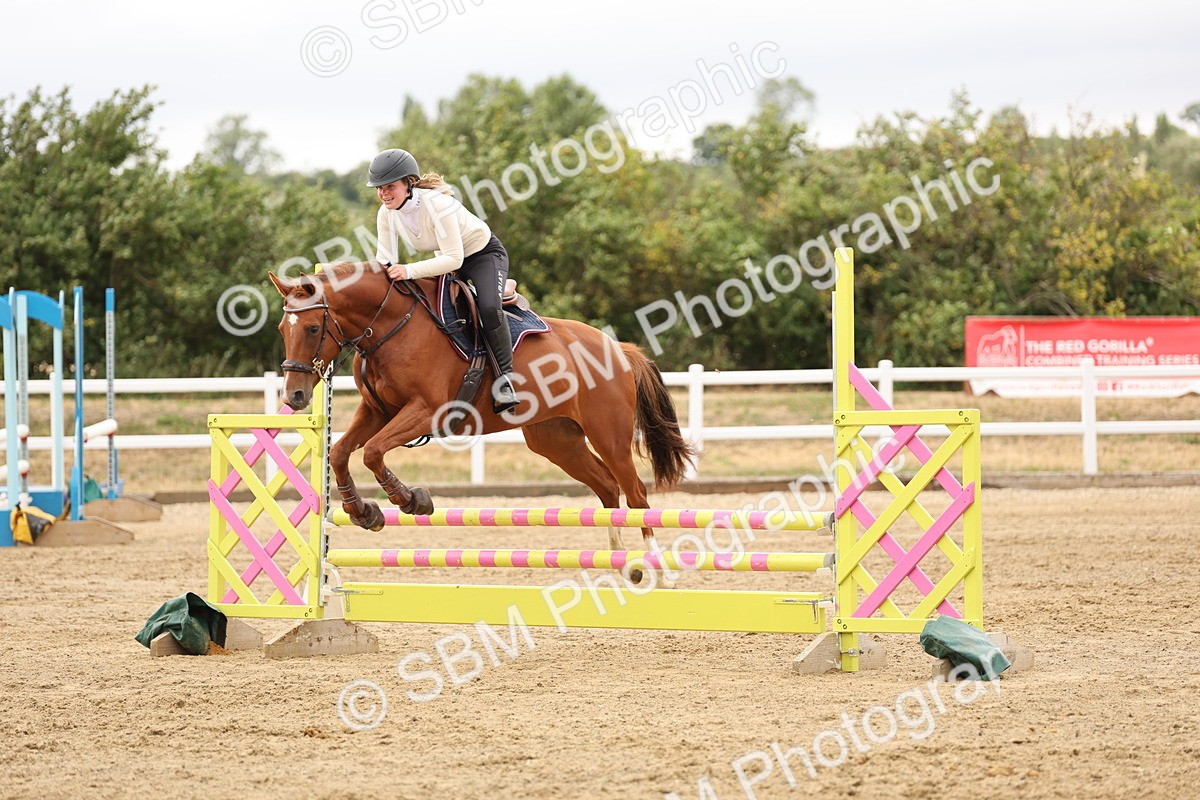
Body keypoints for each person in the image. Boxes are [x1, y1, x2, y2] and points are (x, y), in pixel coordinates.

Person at [367, 148, 519, 414]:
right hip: (446, 259)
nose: (384, 194)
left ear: (409, 183)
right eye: (379, 188)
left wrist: (408, 270)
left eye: (390, 186)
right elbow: (385, 261)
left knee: (487, 308)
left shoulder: (437, 204)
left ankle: (506, 382)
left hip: (482, 256)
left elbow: (454, 259)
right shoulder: (386, 213)